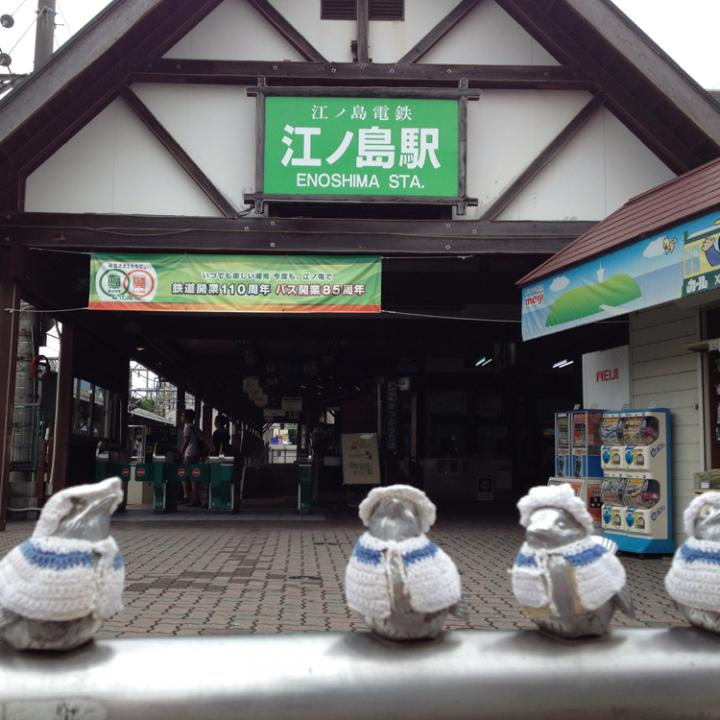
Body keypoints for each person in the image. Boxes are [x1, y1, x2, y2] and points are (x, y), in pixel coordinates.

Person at [179, 408, 201, 506]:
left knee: (184, 476)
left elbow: (186, 441)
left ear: (187, 418)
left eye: (182, 416)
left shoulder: (187, 427)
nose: (181, 417)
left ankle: (187, 497)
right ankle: (195, 498)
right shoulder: (195, 427)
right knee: (194, 476)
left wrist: (180, 452)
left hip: (189, 454)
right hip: (196, 454)